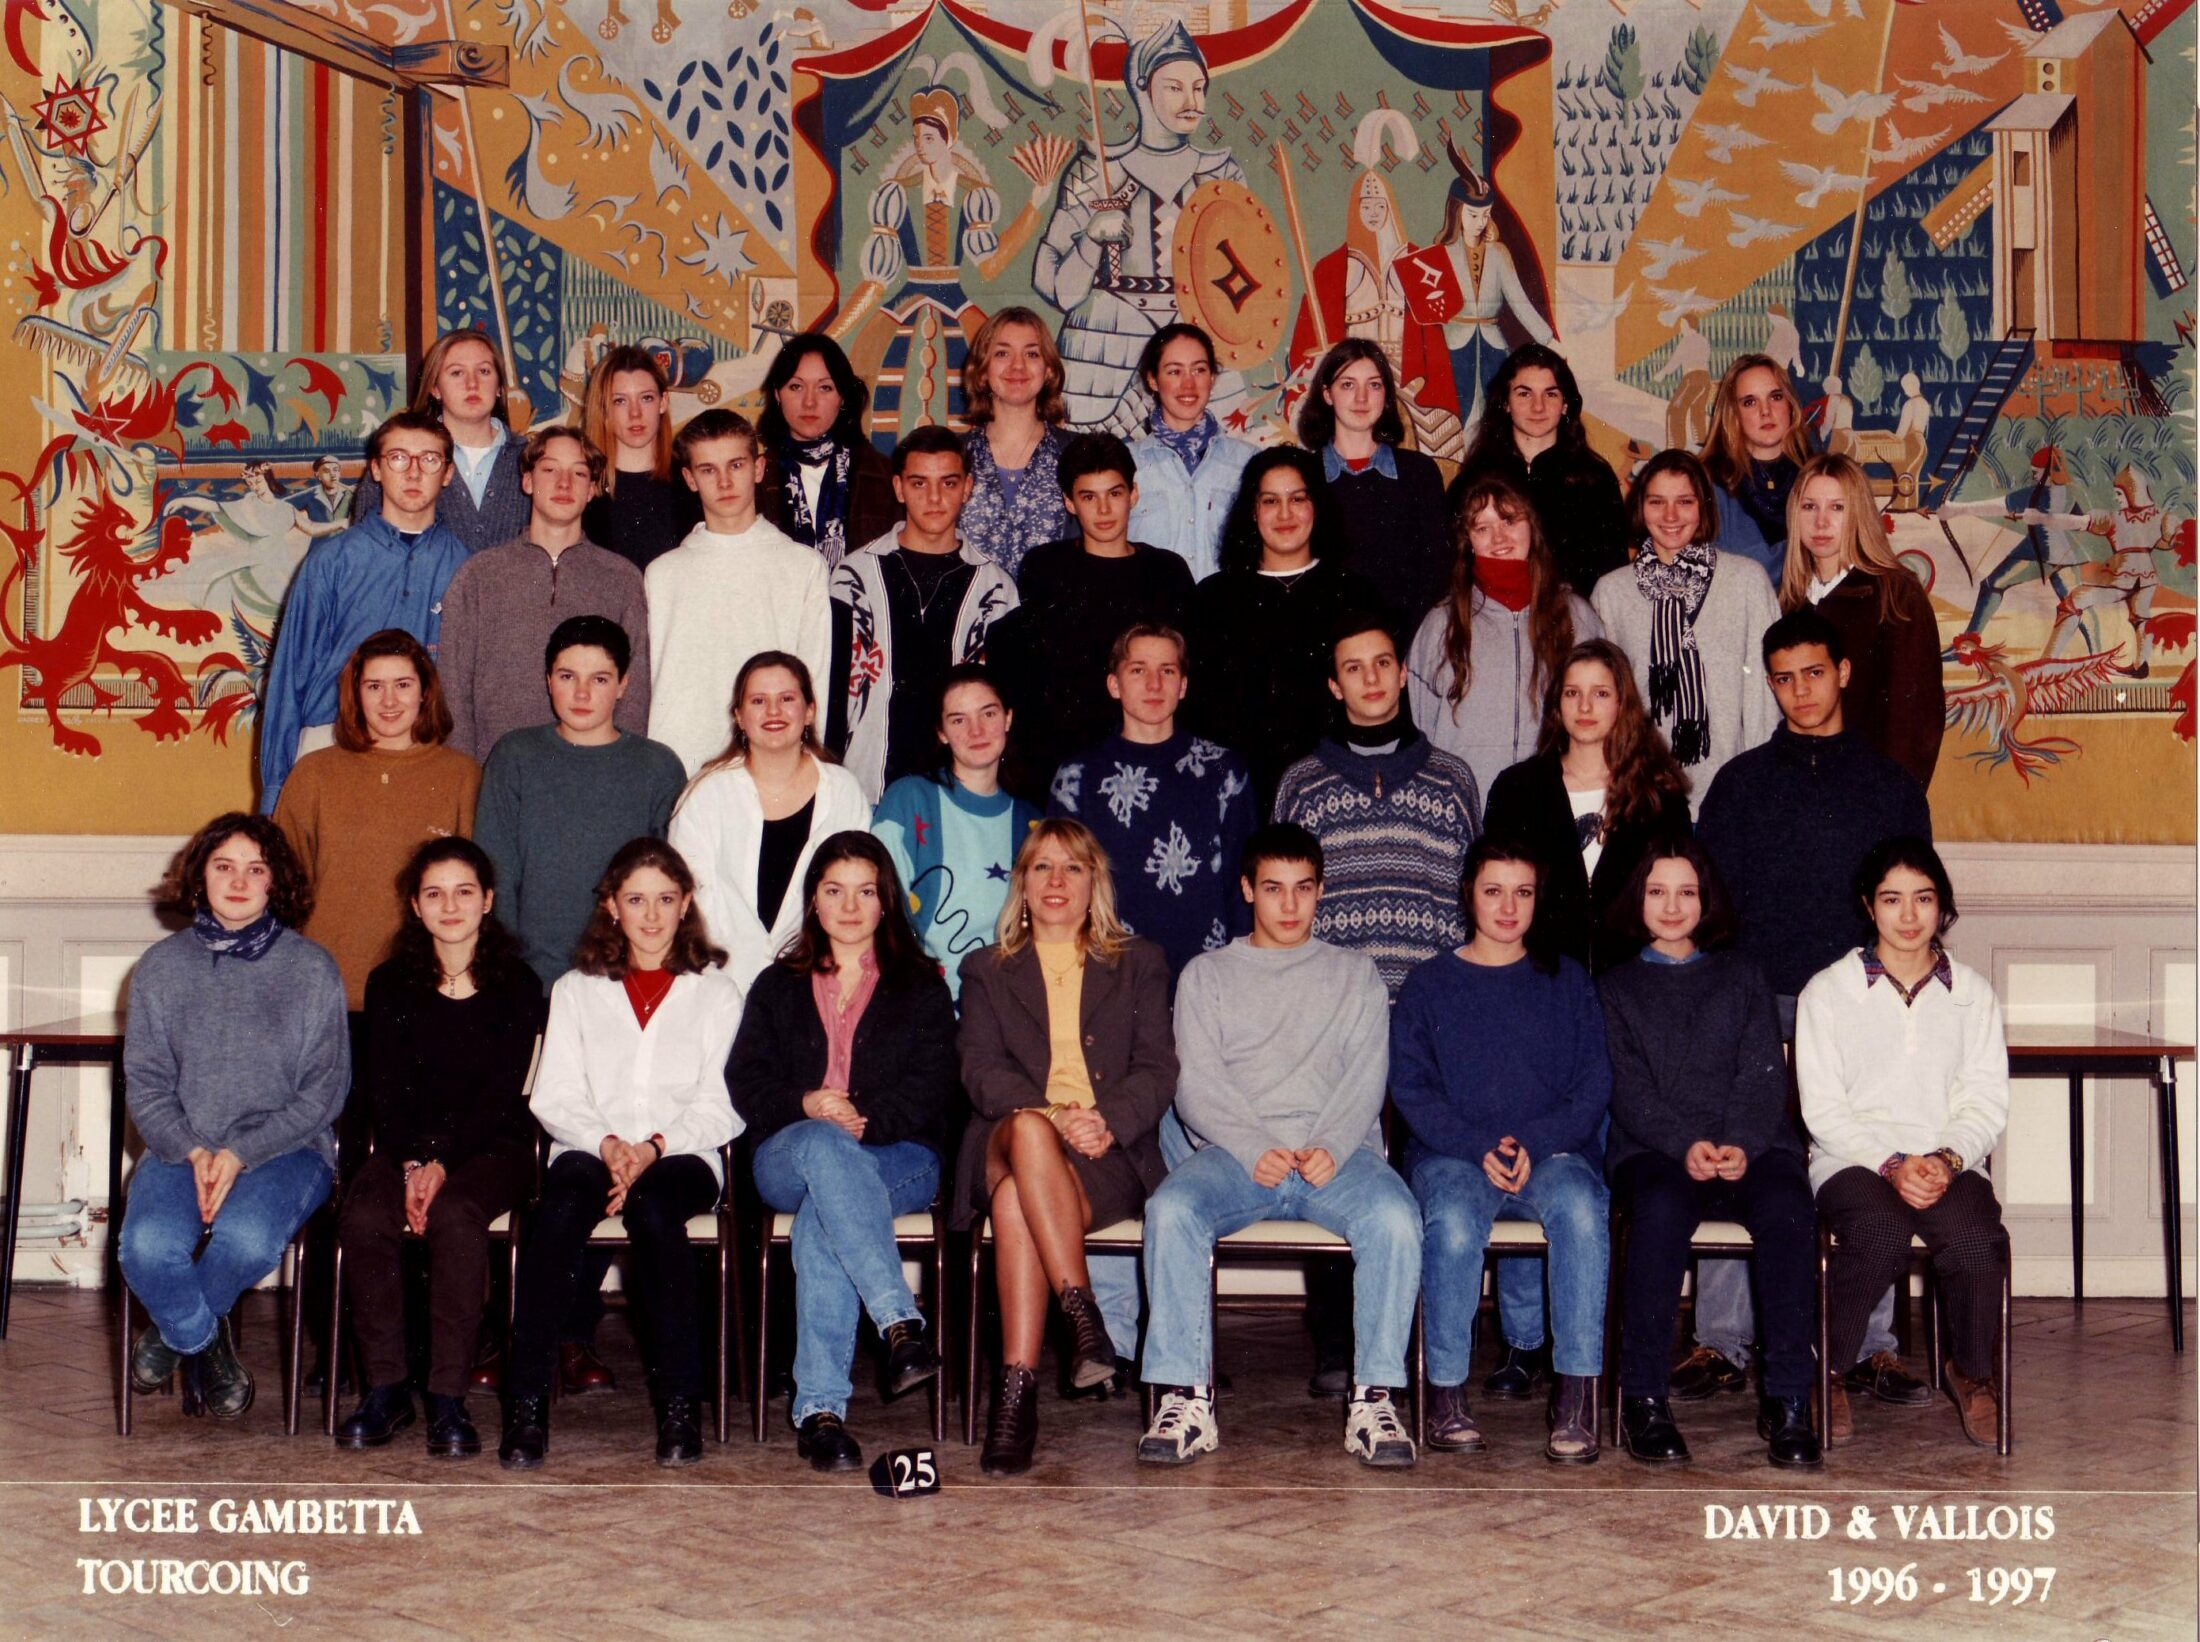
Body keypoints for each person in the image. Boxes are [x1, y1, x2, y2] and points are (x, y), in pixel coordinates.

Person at [1687, 606, 1932, 1426]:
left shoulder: (1891, 787)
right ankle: (1721, 1339)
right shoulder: (1740, 785)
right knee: (1745, 1151)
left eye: (1815, 674)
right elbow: (1712, 909)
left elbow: (1909, 906)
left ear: (1844, 674)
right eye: (1784, 679)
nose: (1801, 691)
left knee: (1870, 1149)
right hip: (1758, 1004)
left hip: (1861, 1003)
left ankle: (1870, 1343)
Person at [1137, 824, 1419, 1470]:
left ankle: (1375, 1399)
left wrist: (1332, 1143)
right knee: (1171, 1211)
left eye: (1302, 889)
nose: (1289, 906)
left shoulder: (1355, 975)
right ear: (1247, 890)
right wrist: (1250, 1144)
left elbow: (1367, 1077)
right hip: (1237, 1157)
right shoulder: (1207, 975)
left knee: (1398, 1218)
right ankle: (1186, 1398)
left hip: (1336, 1156)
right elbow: (1195, 1085)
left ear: (1321, 891)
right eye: (1273, 889)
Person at [499, 839, 744, 1470]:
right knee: (557, 1216)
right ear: (612, 906)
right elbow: (555, 1095)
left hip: (683, 1153)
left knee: (655, 1214)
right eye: (636, 900)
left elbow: (722, 1103)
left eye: (665, 899)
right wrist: (609, 1145)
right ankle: (526, 1406)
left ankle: (680, 1407)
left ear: (686, 903)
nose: (652, 916)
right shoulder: (576, 989)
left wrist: (654, 1148)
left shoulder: (718, 992)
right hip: (589, 1147)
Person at [729, 833, 961, 1470]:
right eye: (835, 890)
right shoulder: (776, 985)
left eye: (865, 891)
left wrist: (863, 1120)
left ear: (887, 901)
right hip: (791, 1152)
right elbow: (747, 1081)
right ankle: (900, 1324)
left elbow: (934, 1085)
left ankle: (820, 1414)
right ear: (814, 900)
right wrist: (807, 1103)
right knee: (823, 1148)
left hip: (899, 1155)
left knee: (822, 1220)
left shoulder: (922, 986)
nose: (851, 906)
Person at [957, 820, 1178, 1475]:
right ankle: (1083, 1316)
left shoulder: (1140, 962)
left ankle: (1015, 1402)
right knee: (1029, 1131)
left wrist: (1106, 1121)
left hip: (1105, 1152)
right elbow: (980, 1070)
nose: (1057, 881)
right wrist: (1054, 1115)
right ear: (1022, 884)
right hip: (1007, 1136)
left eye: (1073, 868)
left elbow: (1157, 1068)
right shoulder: (985, 969)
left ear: (1094, 883)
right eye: (1042, 867)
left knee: (1014, 1205)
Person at [1599, 838, 1820, 1469]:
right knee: (1662, 1209)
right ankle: (1644, 1398)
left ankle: (1788, 1398)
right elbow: (1628, 1089)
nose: (1672, 906)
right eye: (1657, 891)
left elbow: (1762, 1076)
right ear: (1637, 900)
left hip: (1750, 1144)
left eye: (1687, 892)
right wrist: (1684, 1144)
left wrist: (1741, 1143)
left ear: (1706, 901)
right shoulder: (1614, 987)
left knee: (1787, 1205)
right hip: (1656, 1150)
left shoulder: (1742, 976)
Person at [1389, 836, 1611, 1463]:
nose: (1509, 908)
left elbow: (1593, 1084)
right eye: (1494, 892)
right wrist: (1476, 1143)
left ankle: (1576, 1395)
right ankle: (1445, 1393)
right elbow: (1412, 1088)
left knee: (1582, 1211)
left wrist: (1536, 1142)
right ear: (1469, 895)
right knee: (1456, 1222)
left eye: (1523, 893)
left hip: (1549, 1154)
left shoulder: (1566, 981)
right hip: (1454, 1154)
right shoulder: (1430, 983)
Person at [120, 814, 347, 1422]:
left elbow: (323, 1092)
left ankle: (172, 1334)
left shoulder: (312, 969)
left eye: (256, 869)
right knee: (144, 1247)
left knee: (246, 1239)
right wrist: (195, 1150)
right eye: (224, 867)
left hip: (288, 1149)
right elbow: (147, 1083)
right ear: (201, 876)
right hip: (182, 1148)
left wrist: (242, 1153)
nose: (240, 882)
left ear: (277, 881)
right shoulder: (161, 967)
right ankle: (204, 1338)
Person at [333, 838, 544, 1457]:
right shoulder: (390, 983)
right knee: (364, 1216)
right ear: (415, 906)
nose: (450, 906)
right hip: (406, 1146)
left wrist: (441, 1166)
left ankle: (448, 1396)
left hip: (494, 1148)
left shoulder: (518, 983)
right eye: (434, 894)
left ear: (488, 900)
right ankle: (387, 1387)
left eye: (463, 891)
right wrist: (411, 1163)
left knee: (455, 1215)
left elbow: (501, 1098)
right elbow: (386, 1093)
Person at [1799, 836, 2010, 1449]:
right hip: (1852, 1159)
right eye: (1892, 899)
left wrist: (1947, 1158)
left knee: (1976, 1238)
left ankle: (1972, 1373)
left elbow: (1985, 1101)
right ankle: (1826, 1370)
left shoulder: (1972, 993)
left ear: (1942, 905)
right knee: (1879, 1232)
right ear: (1869, 906)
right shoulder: (1828, 992)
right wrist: (1891, 1164)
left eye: (1924, 898)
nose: (1910, 915)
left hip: (1947, 1160)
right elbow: (1824, 1110)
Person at [1031, 21, 1247, 431]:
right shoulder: (1096, 171)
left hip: (1197, 350)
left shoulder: (1223, 174)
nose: (1192, 101)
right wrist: (1092, 239)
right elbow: (1055, 286)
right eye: (1175, 88)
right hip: (1103, 354)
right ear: (1142, 88)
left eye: (1199, 88)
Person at [258, 410, 472, 813]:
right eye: (398, 458)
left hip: (422, 753)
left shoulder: (466, 568)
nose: (413, 472)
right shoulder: (332, 561)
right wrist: (275, 793)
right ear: (376, 469)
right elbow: (290, 677)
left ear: (447, 473)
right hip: (332, 742)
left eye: (429, 459)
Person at [274, 630, 481, 1023]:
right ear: (355, 694)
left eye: (403, 685)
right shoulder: (313, 774)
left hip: (427, 994)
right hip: (326, 992)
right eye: (374, 686)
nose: (389, 701)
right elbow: (282, 889)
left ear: (425, 692)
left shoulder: (463, 776)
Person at [476, 615, 689, 990]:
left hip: (625, 977)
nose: (582, 694)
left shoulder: (658, 766)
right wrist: (509, 973)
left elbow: (669, 885)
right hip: (528, 979)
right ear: (548, 680)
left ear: (623, 685)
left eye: (600, 679)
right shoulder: (515, 755)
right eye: (567, 676)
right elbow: (497, 874)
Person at [1274, 615, 1482, 998]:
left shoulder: (1452, 780)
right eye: (1354, 668)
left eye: (1382, 663)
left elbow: (1476, 902)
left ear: (1402, 674)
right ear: (1335, 686)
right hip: (1331, 1004)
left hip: (1433, 1004)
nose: (1371, 679)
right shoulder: (1302, 786)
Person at [1049, 624, 1257, 977]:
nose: (1154, 684)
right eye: (1138, 670)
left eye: (1168, 671)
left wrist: (1244, 972)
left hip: (1207, 976)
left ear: (1183, 685)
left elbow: (1245, 885)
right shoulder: (1078, 777)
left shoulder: (1223, 770)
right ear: (1114, 684)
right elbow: (1061, 889)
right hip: (1109, 975)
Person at [992, 430, 1194, 786]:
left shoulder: (1166, 572)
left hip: (1150, 756)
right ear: (1069, 502)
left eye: (1114, 493)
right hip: (1062, 761)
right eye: (1089, 496)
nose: (1103, 510)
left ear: (1134, 494)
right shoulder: (1045, 568)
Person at [438, 427, 653, 760]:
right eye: (550, 469)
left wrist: (618, 766)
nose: (564, 483)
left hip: (591, 766)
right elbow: (453, 688)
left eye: (578, 473)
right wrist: (466, 773)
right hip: (497, 769)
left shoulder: (622, 578)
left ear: (591, 489)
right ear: (527, 481)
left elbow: (634, 691)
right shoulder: (479, 575)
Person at [1187, 446, 1383, 808]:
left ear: (1316, 506)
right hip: (1238, 794)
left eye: (1297, 498)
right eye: (1270, 501)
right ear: (1252, 511)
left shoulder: (1356, 595)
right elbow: (1198, 716)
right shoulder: (1213, 599)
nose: (1285, 514)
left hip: (1339, 791)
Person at [1483, 638, 1692, 975]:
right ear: (1557, 703)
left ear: (1622, 703)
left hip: (1634, 980)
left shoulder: (1660, 795)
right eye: (1572, 693)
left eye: (1601, 694)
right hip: (1543, 976)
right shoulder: (1517, 789)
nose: (1584, 707)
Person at [832, 427, 1020, 801]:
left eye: (948, 483)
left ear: (967, 488)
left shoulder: (996, 589)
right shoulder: (853, 577)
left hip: (961, 793)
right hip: (865, 788)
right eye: (919, 483)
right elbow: (832, 692)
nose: (934, 498)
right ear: (899, 488)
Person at [644, 408, 833, 777]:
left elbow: (815, 680)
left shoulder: (802, 566)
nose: (725, 482)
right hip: (683, 765)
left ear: (758, 469)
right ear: (690, 479)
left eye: (736, 465)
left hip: (773, 764)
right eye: (708, 470)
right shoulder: (663, 574)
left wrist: (807, 768)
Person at [669, 652, 872, 989]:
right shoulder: (705, 794)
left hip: (816, 983)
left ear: (809, 711)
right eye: (759, 701)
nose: (774, 711)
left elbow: (857, 894)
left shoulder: (843, 791)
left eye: (787, 699)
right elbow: (688, 896)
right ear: (739, 716)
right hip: (719, 982)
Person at [1592, 449, 1781, 810]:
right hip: (1644, 797)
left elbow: (1763, 699)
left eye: (1685, 501)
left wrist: (1760, 789)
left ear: (1704, 507)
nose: (1670, 516)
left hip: (1731, 794)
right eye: (1657, 502)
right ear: (1640, 507)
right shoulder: (1611, 592)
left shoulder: (1747, 582)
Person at [1407, 473, 1601, 803]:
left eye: (1509, 520)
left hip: (1554, 806)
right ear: (1468, 539)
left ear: (1532, 526)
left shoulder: (1577, 617)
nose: (1499, 537)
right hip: (1462, 807)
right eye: (1482, 528)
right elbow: (1420, 729)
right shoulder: (1441, 623)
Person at [871, 665, 1040, 1000]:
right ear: (942, 732)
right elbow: (880, 912)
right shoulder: (909, 800)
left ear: (1008, 718)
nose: (976, 730)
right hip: (921, 1002)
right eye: (959, 719)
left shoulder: (1032, 822)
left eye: (988, 713)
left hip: (1005, 1006)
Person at [1782, 453, 1945, 789]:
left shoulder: (1896, 593)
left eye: (1837, 508)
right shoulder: (1788, 602)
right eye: (1810, 507)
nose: (1821, 522)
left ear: (1859, 513)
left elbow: (1914, 723)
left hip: (1871, 797)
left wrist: (1890, 805)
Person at [1453, 344, 1628, 598]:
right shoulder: (1475, 479)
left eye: (1551, 394)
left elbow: (1613, 577)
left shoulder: (1595, 478)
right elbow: (1456, 568)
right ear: (1505, 403)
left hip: (1573, 616)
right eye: (1524, 394)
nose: (1538, 407)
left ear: (1565, 405)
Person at [1298, 339, 1453, 625]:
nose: (1362, 398)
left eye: (1374, 385)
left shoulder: (1420, 473)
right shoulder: (1302, 475)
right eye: (1348, 385)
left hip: (1406, 641)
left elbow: (1437, 576)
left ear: (1387, 396)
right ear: (1327, 394)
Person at [352, 328, 530, 553]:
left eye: (484, 371)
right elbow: (363, 553)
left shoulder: (533, 460)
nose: (472, 383)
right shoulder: (395, 460)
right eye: (457, 373)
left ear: (499, 387)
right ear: (435, 388)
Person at [754, 334, 901, 569]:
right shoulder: (754, 477)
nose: (809, 402)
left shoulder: (884, 475)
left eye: (825, 387)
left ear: (842, 396)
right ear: (777, 394)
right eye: (796, 386)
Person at [1125, 323, 1257, 581]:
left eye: (1199, 370)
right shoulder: (1126, 463)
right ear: (1153, 380)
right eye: (1174, 371)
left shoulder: (1248, 461)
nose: (1188, 384)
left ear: (1212, 378)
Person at [957, 307, 1073, 576]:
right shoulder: (954, 454)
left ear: (1048, 370)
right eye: (1002, 353)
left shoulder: (1076, 453)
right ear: (982, 371)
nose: (1017, 366)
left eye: (1032, 354)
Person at [579, 344, 701, 573]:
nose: (635, 413)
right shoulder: (584, 487)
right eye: (620, 401)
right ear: (603, 408)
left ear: (663, 402)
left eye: (646, 398)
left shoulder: (691, 482)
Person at [1700, 352, 1818, 582]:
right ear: (1733, 413)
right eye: (1750, 402)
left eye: (1776, 397)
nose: (1766, 411)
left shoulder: (1821, 476)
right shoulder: (1707, 483)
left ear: (1790, 404)